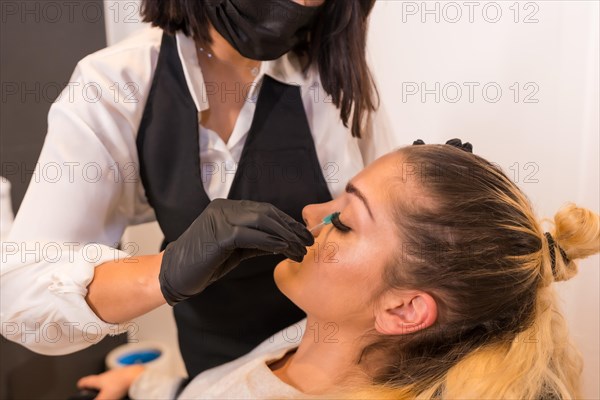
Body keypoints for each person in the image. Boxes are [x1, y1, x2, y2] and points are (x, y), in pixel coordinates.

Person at [1, 0, 394, 389]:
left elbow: (393, 232)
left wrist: (440, 206)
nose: (299, 4)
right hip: (214, 369)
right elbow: (21, 301)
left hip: (336, 365)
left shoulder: (334, 77)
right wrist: (165, 272)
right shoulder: (117, 83)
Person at [76, 141, 599, 399]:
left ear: (404, 308)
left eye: (343, 221)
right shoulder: (315, 340)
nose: (309, 214)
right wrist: (144, 385)